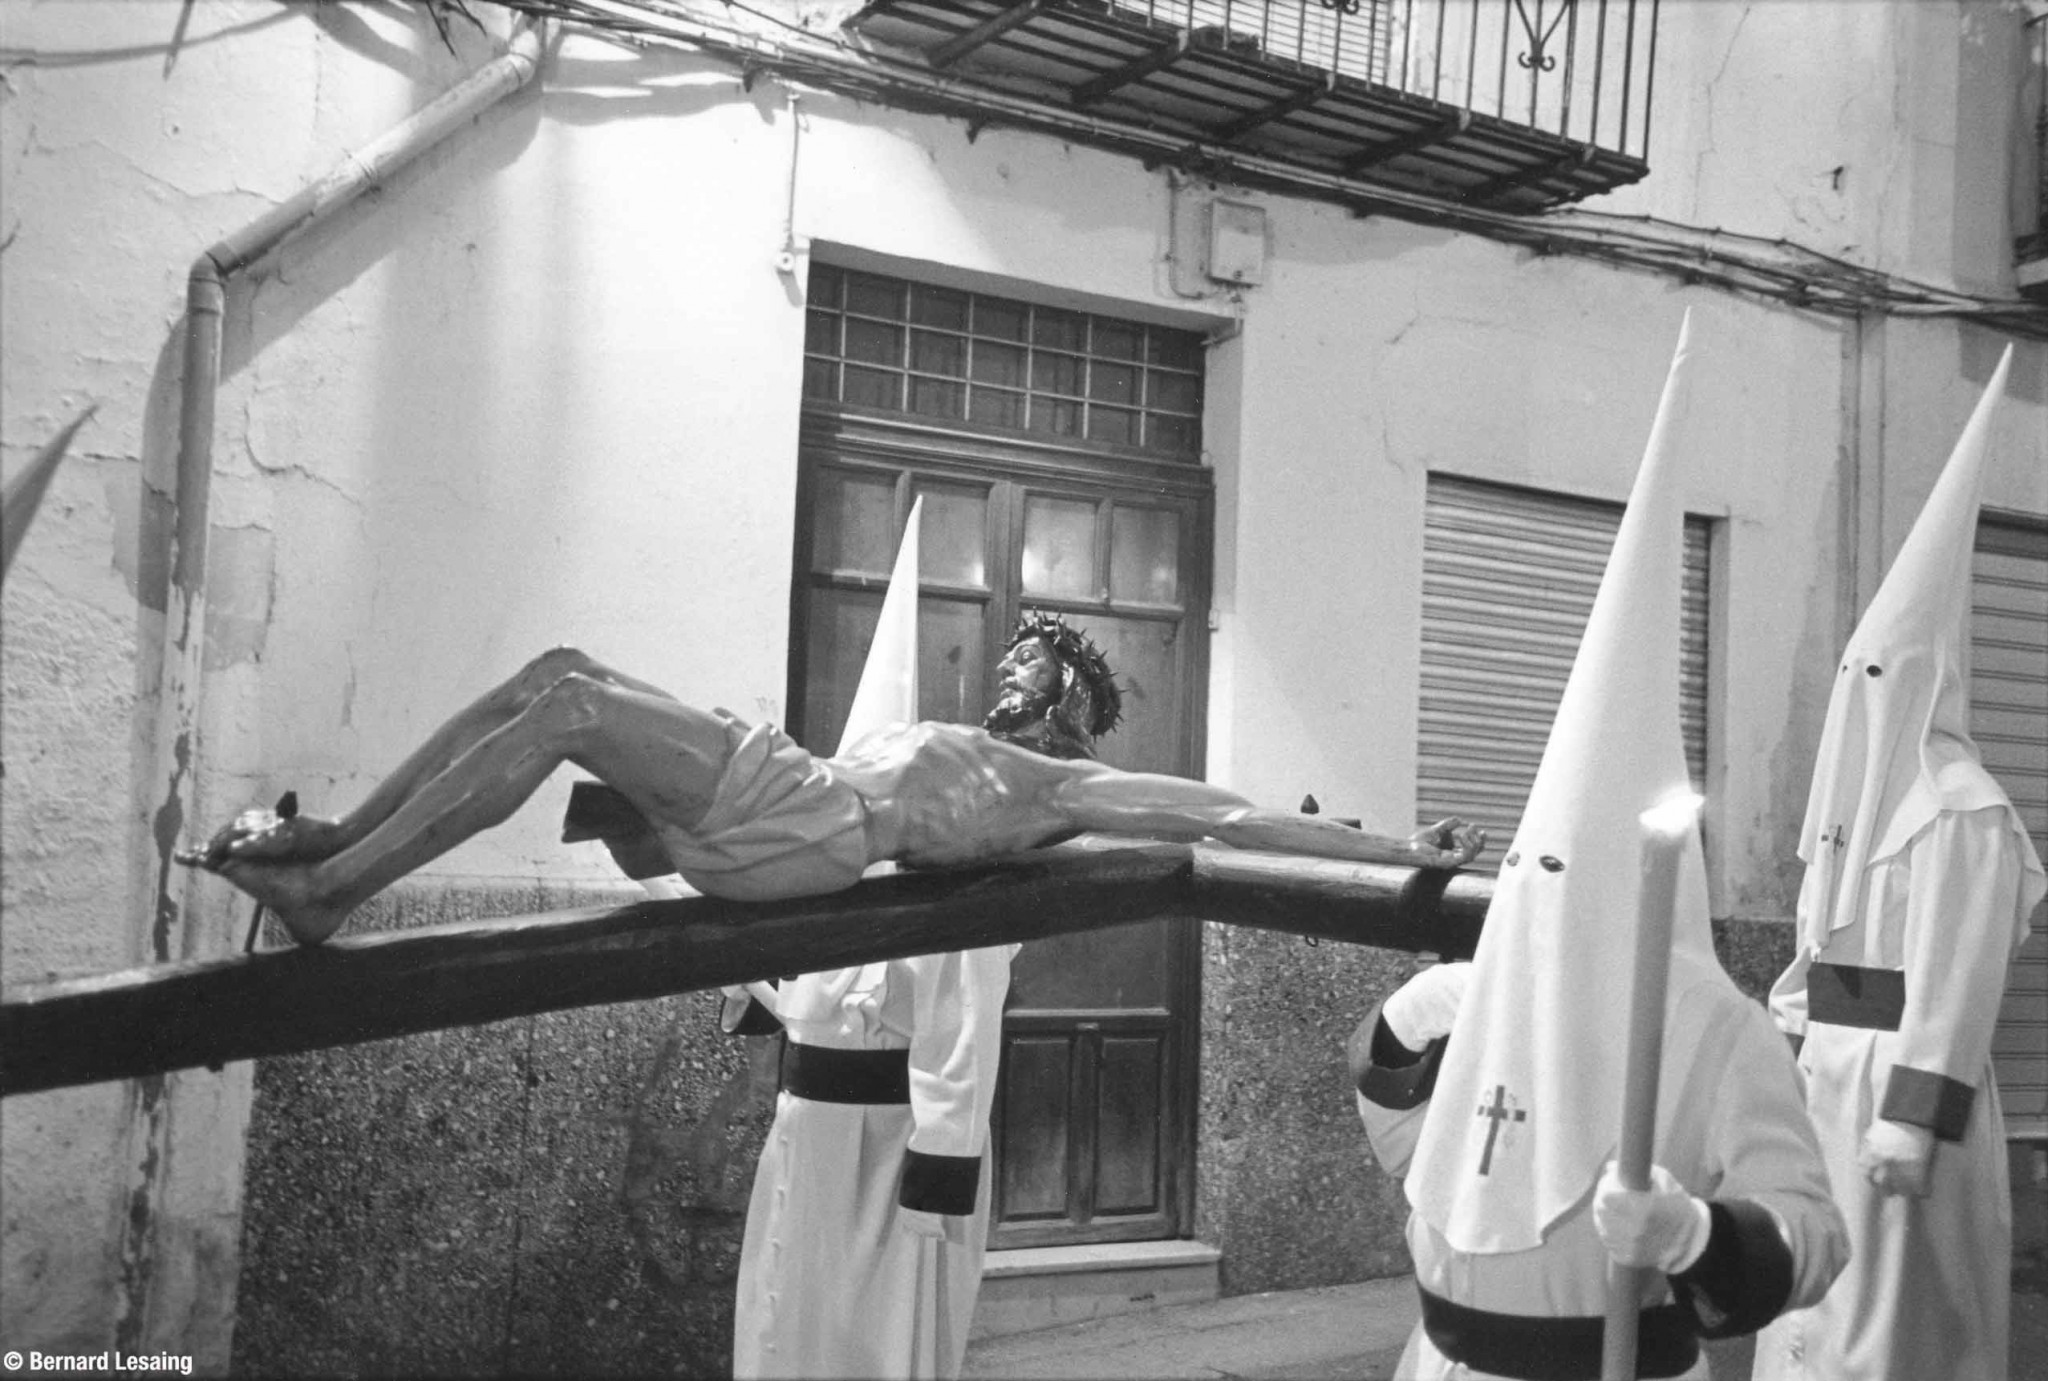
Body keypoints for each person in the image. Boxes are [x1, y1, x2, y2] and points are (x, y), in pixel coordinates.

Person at [1350, 315, 1846, 1380]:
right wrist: (1392, 1036)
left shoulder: (1714, 1030)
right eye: (1533, 868)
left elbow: (1813, 1231)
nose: (1546, 895)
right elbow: (1417, 1160)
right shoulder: (1498, 997)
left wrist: (1698, 1235)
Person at [176, 633, 1485, 948]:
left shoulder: (1074, 784)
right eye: (1014, 670)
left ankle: (334, 887)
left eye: (1031, 676)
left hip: (810, 826)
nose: (1007, 687)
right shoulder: (998, 751)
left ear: (1074, 709)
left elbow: (1229, 816)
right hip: (788, 806)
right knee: (561, 676)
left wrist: (1397, 846)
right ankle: (340, 843)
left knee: (574, 701)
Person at [1753, 348, 2044, 1381]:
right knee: (1811, 1312)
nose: (1857, 695)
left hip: (1900, 1101)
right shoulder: (1858, 815)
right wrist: (1789, 1031)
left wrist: (1910, 1122)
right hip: (1831, 1080)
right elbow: (1818, 950)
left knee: (1887, 1328)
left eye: (1877, 676)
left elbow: (1955, 987)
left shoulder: (1958, 813)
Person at [718, 611, 1099, 1380]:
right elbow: (799, 970)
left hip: (890, 1149)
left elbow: (959, 1013)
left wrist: (943, 1156)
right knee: (785, 1306)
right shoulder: (833, 859)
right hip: (810, 1128)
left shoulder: (952, 855)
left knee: (879, 1330)